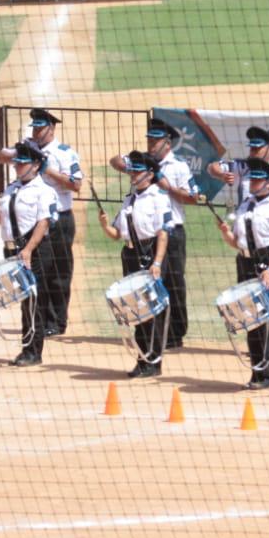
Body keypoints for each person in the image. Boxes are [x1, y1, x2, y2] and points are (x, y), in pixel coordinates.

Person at [112, 119, 199, 350]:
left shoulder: (179, 166)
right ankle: (151, 332)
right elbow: (115, 160)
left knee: (174, 283)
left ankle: (175, 333)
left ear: (167, 143)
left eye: (155, 141)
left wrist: (167, 186)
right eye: (149, 140)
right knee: (145, 284)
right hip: (146, 236)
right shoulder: (143, 162)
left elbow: (193, 197)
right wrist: (132, 167)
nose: (151, 144)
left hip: (172, 231)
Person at [0, 109, 83, 337]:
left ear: (52, 128)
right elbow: (0, 156)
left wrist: (48, 170)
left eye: (40, 128)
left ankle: (56, 321)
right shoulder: (28, 148)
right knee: (37, 273)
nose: (36, 131)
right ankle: (39, 320)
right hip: (32, 220)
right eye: (34, 127)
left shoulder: (64, 153)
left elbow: (76, 184)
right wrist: (22, 152)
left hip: (59, 220)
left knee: (58, 273)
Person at [216, 158, 269, 390]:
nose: (252, 182)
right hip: (246, 263)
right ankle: (256, 372)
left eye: (258, 179)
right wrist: (226, 235)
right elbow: (239, 241)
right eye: (252, 178)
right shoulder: (246, 204)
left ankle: (268, 375)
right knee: (251, 319)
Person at [98, 151, 171, 379]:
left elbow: (163, 233)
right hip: (130, 256)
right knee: (137, 310)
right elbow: (117, 233)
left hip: (149, 256)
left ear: (149, 174)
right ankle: (142, 360)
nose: (132, 174)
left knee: (152, 311)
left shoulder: (159, 197)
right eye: (132, 170)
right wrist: (103, 225)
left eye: (137, 171)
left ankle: (153, 361)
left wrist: (157, 262)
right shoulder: (129, 199)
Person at [0, 141, 57, 367]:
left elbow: (43, 223)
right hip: (12, 250)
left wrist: (27, 250)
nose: (17, 166)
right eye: (16, 162)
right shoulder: (12, 188)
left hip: (33, 251)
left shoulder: (44, 191)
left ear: (36, 165)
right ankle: (27, 347)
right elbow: (3, 220)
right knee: (23, 301)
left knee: (34, 302)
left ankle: (33, 351)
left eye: (22, 163)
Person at [207, 126, 269, 213]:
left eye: (257, 149)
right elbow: (212, 167)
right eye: (252, 148)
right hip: (243, 225)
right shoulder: (242, 166)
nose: (253, 152)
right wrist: (221, 175)